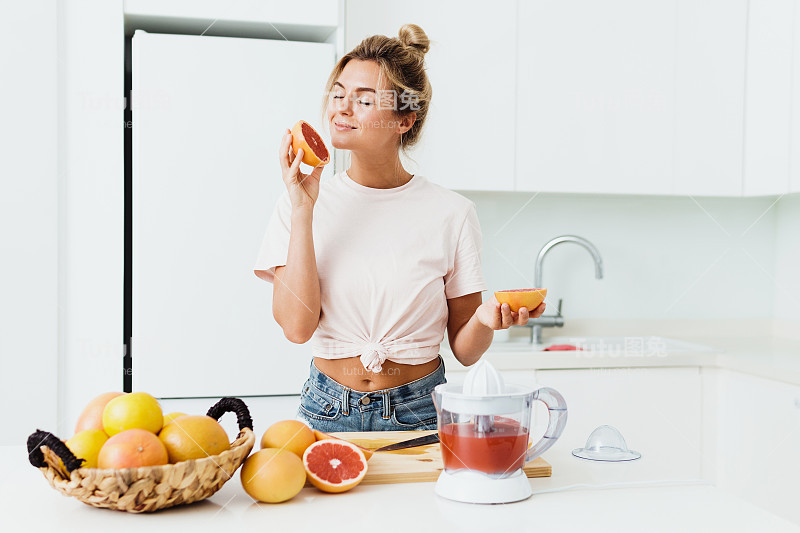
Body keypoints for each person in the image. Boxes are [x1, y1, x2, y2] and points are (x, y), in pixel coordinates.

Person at [253, 24, 546, 432]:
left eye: (364, 99)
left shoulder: (452, 213)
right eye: (338, 94)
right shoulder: (300, 201)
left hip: (419, 411)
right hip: (325, 408)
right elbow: (297, 328)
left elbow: (465, 350)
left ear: (403, 120)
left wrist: (483, 320)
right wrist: (303, 210)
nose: (341, 108)